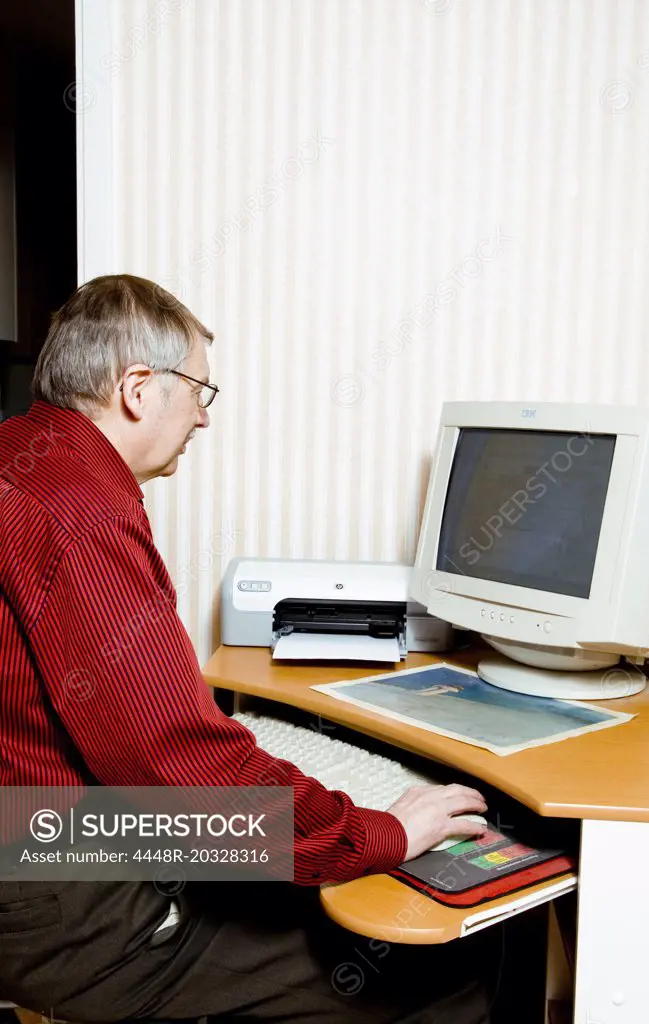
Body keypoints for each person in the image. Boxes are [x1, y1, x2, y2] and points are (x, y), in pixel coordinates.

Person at [0, 275, 495, 1023]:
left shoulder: (19, 451)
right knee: (440, 965)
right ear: (138, 388)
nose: (202, 417)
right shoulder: (80, 513)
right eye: (199, 389)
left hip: (36, 845)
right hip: (65, 902)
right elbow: (176, 767)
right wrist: (381, 830)